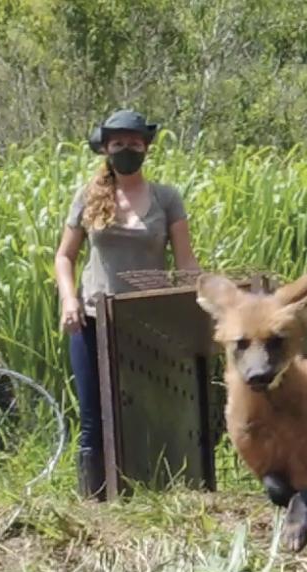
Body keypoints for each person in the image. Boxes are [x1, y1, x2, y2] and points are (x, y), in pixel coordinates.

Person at [53, 109, 199, 500]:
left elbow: (185, 261)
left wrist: (196, 303)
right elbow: (64, 257)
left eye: (135, 142)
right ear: (106, 148)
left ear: (146, 147)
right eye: (119, 143)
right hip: (92, 317)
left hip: (146, 320)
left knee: (145, 412)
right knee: (94, 416)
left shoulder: (166, 198)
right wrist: (69, 299)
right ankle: (95, 501)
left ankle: (146, 494)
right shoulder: (88, 196)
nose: (127, 149)